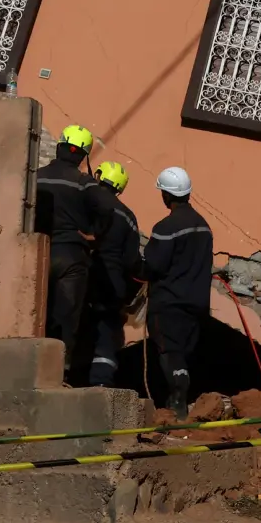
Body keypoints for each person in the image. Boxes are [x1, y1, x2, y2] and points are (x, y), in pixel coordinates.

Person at [141, 166, 211, 419]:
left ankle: (177, 401)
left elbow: (153, 265)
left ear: (166, 195)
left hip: (168, 302)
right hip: (197, 303)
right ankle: (180, 400)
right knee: (184, 352)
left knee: (169, 352)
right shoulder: (204, 226)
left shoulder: (166, 227)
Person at [35, 125, 103, 382]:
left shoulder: (36, 176)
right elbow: (108, 209)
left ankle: (31, 366)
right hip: (72, 257)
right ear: (82, 156)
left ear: (59, 147)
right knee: (66, 316)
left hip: (37, 253)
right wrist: (96, 235)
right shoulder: (84, 183)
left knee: (36, 312)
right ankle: (58, 373)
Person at [84, 161, 141, 388]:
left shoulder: (87, 202)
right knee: (107, 332)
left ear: (99, 176)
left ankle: (65, 375)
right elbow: (131, 260)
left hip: (83, 275)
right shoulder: (128, 216)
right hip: (112, 282)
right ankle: (100, 383)